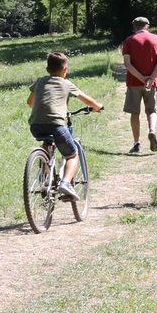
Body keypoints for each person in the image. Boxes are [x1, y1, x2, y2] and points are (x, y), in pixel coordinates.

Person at [27, 52, 104, 201]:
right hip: (57, 126)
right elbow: (86, 100)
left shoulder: (39, 81)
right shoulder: (66, 83)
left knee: (47, 141)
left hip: (35, 126)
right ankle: (66, 184)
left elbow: (30, 102)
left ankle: (45, 177)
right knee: (72, 154)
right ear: (65, 69)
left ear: (47, 68)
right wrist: (97, 106)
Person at [122, 16, 157, 154]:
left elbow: (127, 64)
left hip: (134, 82)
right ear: (148, 26)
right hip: (152, 83)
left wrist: (142, 78)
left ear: (134, 26)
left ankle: (137, 143)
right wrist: (151, 78)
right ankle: (152, 130)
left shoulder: (129, 40)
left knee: (135, 113)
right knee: (151, 110)